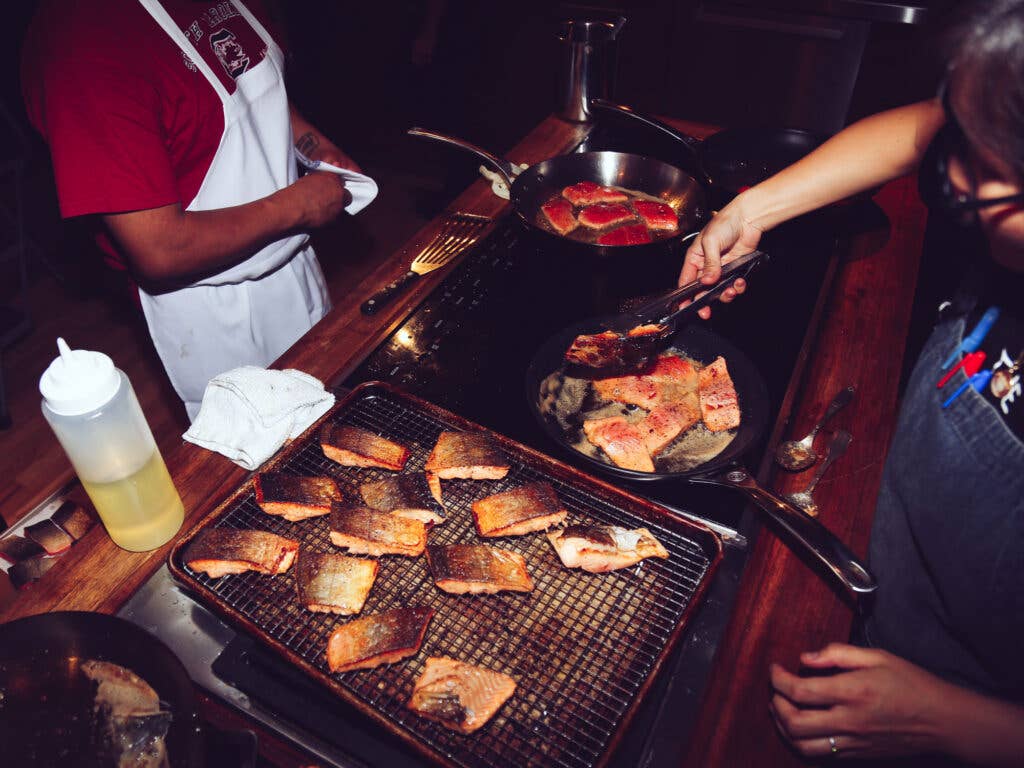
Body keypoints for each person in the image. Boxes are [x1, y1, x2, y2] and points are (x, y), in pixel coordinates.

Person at [680, 1, 1024, 764]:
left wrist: (952, 719)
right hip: (888, 597)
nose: (952, 180)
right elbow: (923, 127)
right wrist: (752, 209)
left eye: (992, 171)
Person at [21, 0, 363, 420]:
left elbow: (246, 84)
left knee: (335, 410)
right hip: (208, 303)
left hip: (292, 253)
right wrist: (299, 206)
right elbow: (160, 249)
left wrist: (312, 143)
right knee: (262, 458)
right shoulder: (81, 39)